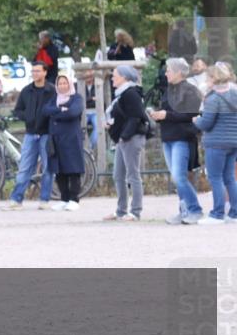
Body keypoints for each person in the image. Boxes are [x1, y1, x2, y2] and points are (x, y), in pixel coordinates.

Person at [150, 58, 204, 225]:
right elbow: (169, 112)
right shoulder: (169, 90)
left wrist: (166, 115)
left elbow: (191, 115)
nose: (166, 73)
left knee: (178, 177)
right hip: (168, 137)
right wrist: (158, 115)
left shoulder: (191, 90)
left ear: (179, 72)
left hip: (182, 138)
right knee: (177, 178)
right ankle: (184, 210)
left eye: (169, 70)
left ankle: (195, 209)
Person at [2, 62, 56, 211]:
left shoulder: (51, 91)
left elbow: (56, 110)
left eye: (38, 71)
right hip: (30, 134)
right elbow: (18, 110)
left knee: (48, 168)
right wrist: (28, 117)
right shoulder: (26, 91)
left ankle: (44, 200)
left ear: (45, 72)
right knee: (25, 167)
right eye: (33, 71)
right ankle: (16, 199)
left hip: (46, 134)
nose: (35, 74)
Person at [192, 63, 237, 225]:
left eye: (207, 78)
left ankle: (217, 214)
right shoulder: (234, 94)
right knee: (230, 178)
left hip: (216, 142)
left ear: (213, 79)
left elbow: (206, 124)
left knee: (216, 178)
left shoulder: (213, 98)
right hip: (233, 142)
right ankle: (234, 213)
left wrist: (197, 120)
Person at [103, 66, 148, 221]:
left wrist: (124, 135)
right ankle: (121, 210)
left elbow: (136, 117)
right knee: (118, 175)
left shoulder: (131, 93)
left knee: (133, 175)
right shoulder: (122, 94)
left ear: (124, 77)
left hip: (131, 138)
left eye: (115, 75)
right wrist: (112, 125)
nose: (112, 78)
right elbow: (123, 116)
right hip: (123, 139)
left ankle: (135, 211)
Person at [43, 72, 85, 211]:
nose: (62, 86)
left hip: (71, 139)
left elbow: (73, 112)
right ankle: (64, 198)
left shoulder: (76, 98)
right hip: (56, 139)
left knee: (73, 169)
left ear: (69, 84)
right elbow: (45, 110)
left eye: (65, 83)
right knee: (59, 170)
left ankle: (74, 199)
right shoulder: (54, 98)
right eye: (60, 83)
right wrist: (60, 109)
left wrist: (57, 114)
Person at [83, 70, 99, 150]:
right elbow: (81, 99)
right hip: (84, 111)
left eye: (90, 76)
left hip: (95, 111)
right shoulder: (79, 85)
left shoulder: (97, 85)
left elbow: (99, 99)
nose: (89, 78)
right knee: (82, 127)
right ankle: (85, 146)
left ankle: (90, 147)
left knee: (98, 127)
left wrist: (88, 100)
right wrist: (92, 98)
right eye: (87, 76)